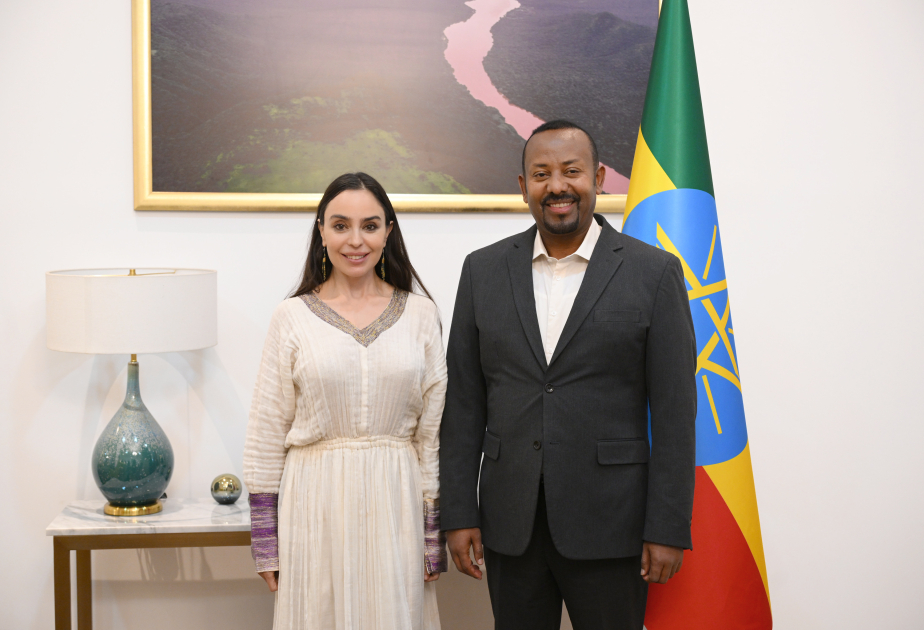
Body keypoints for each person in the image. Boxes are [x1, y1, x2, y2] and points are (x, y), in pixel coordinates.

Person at [439, 120, 697, 630]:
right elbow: (465, 404)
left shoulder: (654, 273)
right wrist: (460, 512)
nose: (557, 186)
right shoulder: (482, 270)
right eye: (541, 174)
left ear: (598, 178)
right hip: (510, 524)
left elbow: (675, 413)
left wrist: (667, 526)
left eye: (571, 171)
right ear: (523, 187)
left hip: (613, 524)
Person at [243, 172, 448, 630]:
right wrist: (265, 542)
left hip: (396, 501)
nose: (356, 240)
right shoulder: (291, 317)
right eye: (340, 226)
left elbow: (430, 436)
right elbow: (265, 433)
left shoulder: (420, 315)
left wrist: (431, 533)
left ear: (388, 232)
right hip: (313, 502)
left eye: (370, 226)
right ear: (321, 231)